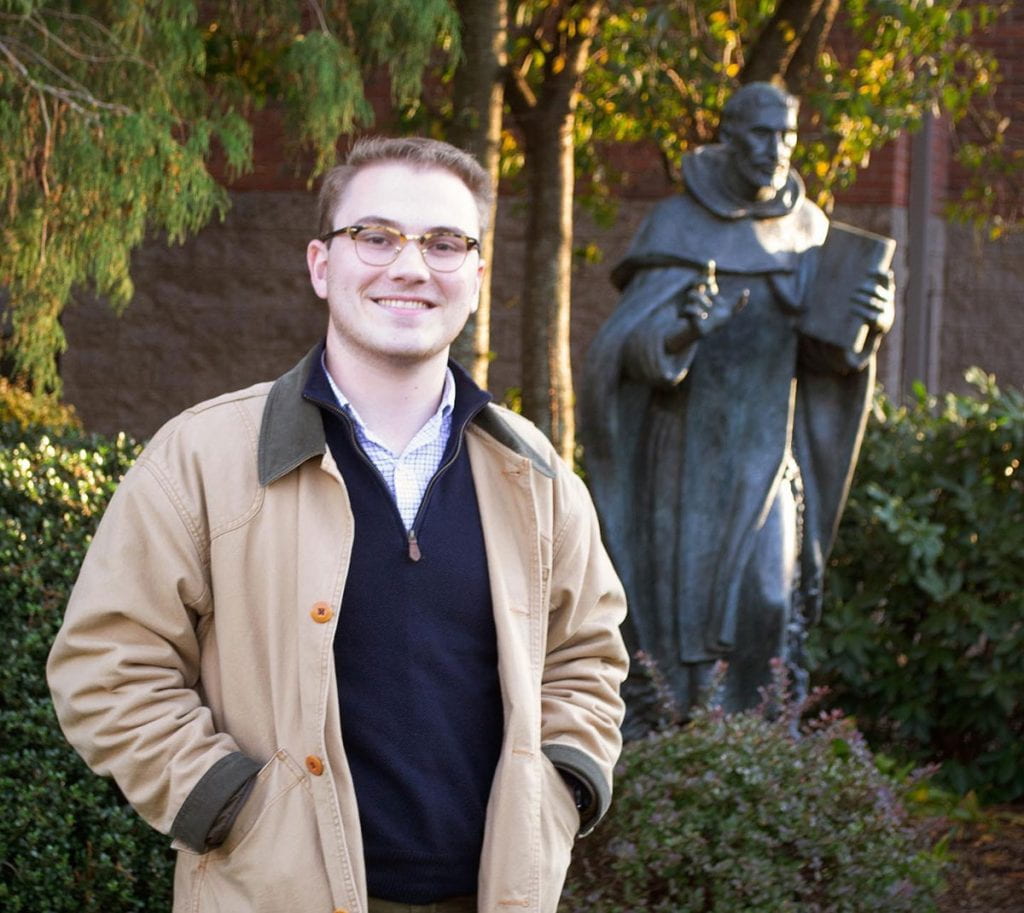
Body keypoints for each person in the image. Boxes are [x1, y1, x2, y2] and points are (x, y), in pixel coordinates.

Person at [47, 136, 628, 913]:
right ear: (322, 264)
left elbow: (587, 654)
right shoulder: (204, 456)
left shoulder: (533, 473)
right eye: (376, 236)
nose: (411, 266)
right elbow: (105, 666)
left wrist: (563, 782)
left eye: (446, 243)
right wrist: (228, 805)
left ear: (478, 276)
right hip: (271, 895)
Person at [580, 83, 892, 732]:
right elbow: (625, 348)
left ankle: (755, 748)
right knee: (683, 613)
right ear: (728, 135)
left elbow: (829, 356)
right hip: (686, 450)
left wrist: (867, 324)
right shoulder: (674, 227)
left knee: (769, 595)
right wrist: (687, 328)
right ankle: (685, 740)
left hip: (767, 447)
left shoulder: (808, 231)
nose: (775, 150)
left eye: (787, 136)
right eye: (760, 134)